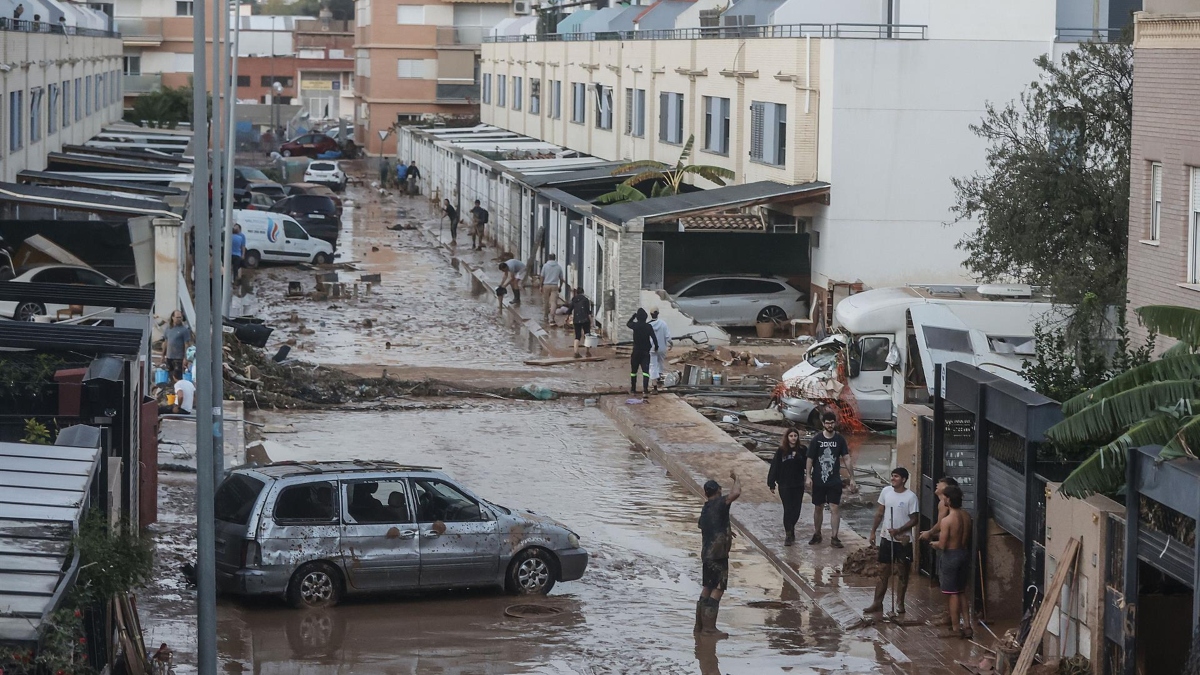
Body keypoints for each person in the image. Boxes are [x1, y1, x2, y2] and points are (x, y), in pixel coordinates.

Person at [865, 467, 920, 616]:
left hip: (903, 541)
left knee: (903, 572)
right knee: (883, 571)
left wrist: (899, 530)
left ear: (903, 479)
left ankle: (900, 603)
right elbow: (880, 513)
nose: (893, 478)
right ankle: (877, 602)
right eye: (892, 476)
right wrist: (873, 531)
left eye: (896, 476)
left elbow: (915, 519)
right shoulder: (886, 492)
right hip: (886, 538)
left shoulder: (911, 497)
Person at [695, 470, 741, 636]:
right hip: (718, 555)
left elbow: (705, 525)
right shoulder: (721, 503)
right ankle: (709, 628)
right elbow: (736, 492)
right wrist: (737, 478)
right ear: (719, 491)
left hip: (706, 554)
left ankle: (699, 626)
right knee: (719, 588)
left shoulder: (706, 508)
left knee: (707, 587)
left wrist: (726, 530)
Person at [806, 411, 855, 547]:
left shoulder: (839, 440)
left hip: (834, 480)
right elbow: (810, 458)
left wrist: (852, 478)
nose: (830, 425)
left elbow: (846, 458)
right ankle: (817, 533)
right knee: (818, 507)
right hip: (819, 480)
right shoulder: (817, 440)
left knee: (835, 507)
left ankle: (834, 537)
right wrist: (808, 476)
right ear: (823, 424)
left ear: (835, 423)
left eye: (832, 422)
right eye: (827, 423)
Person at [933, 484, 972, 638]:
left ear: (948, 499)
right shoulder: (966, 516)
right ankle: (967, 625)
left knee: (952, 593)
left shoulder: (947, 520)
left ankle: (956, 628)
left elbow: (942, 545)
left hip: (951, 556)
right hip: (964, 553)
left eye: (944, 498)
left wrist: (932, 543)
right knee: (961, 591)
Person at [768, 428, 807, 546]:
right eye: (791, 436)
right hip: (784, 485)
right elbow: (775, 466)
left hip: (798, 484)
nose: (793, 438)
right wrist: (771, 483)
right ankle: (788, 534)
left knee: (796, 510)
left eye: (795, 435)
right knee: (788, 509)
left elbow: (808, 464)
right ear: (787, 437)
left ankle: (792, 527)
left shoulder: (803, 450)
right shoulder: (781, 451)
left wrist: (799, 457)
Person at [626, 308, 659, 398]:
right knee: (645, 371)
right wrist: (656, 347)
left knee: (634, 371)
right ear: (645, 317)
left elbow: (628, 324)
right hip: (645, 352)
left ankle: (633, 390)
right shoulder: (648, 326)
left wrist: (633, 317)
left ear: (638, 317)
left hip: (636, 352)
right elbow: (654, 338)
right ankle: (645, 390)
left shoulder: (635, 326)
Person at [161, 310, 193, 375]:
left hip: (179, 358)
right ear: (173, 317)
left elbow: (186, 345)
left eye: (180, 317)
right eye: (177, 317)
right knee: (169, 375)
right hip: (169, 357)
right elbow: (166, 342)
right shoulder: (168, 328)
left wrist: (186, 358)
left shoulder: (184, 330)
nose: (179, 319)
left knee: (177, 376)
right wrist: (163, 355)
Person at [648, 308, 671, 391]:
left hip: (651, 348)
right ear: (658, 313)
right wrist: (671, 344)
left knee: (653, 365)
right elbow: (667, 336)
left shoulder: (648, 325)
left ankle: (654, 384)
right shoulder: (663, 324)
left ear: (650, 314)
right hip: (662, 348)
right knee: (660, 363)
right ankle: (659, 381)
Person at [566, 287, 594, 358]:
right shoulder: (586, 300)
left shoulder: (574, 300)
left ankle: (576, 352)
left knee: (577, 336)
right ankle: (587, 352)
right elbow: (588, 312)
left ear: (577, 293)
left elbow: (569, 310)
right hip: (585, 320)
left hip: (576, 320)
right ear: (583, 292)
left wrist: (567, 318)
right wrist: (591, 321)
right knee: (587, 335)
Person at [539, 254, 564, 324]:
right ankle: (552, 318)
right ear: (555, 258)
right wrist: (560, 286)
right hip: (554, 286)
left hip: (546, 285)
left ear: (548, 258)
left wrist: (540, 285)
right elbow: (561, 278)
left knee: (546, 301)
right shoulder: (558, 267)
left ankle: (545, 316)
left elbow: (542, 276)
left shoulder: (545, 266)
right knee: (553, 302)